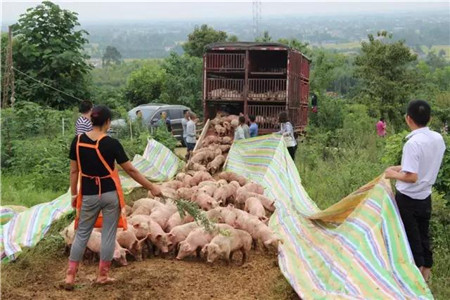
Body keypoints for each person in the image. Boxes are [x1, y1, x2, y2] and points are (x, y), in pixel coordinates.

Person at [64, 105, 161, 290]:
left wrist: (74, 195)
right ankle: (102, 275)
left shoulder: (77, 142)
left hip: (88, 194)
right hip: (110, 194)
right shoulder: (112, 143)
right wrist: (151, 186)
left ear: (91, 121)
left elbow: (74, 171)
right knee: (108, 235)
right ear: (108, 122)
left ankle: (70, 276)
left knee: (82, 233)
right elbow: (130, 169)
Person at [385, 100, 446, 282]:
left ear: (408, 119)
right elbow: (420, 165)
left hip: (408, 199)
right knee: (423, 234)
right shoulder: (437, 138)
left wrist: (391, 174)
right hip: (425, 197)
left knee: (412, 238)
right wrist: (399, 167)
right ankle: (426, 273)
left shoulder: (412, 143)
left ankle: (416, 280)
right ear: (430, 118)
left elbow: (412, 177)